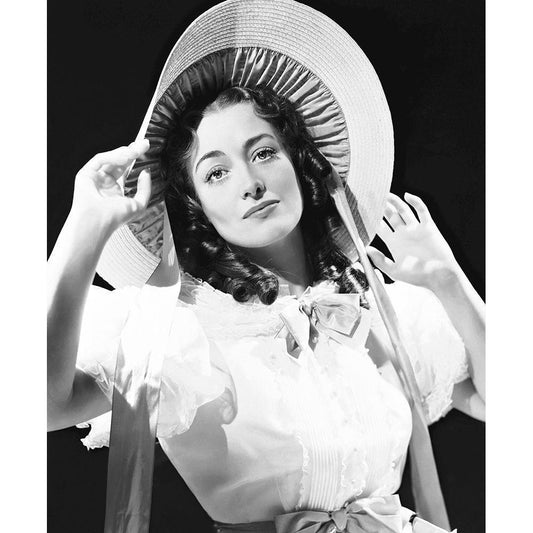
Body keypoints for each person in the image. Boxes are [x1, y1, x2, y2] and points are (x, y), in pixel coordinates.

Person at [47, 1, 485, 531]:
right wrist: (83, 229)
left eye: (263, 153)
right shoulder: (179, 333)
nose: (250, 183)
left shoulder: (376, 315)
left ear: (299, 163)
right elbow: (42, 404)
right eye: (216, 173)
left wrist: (450, 282)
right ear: (195, 208)